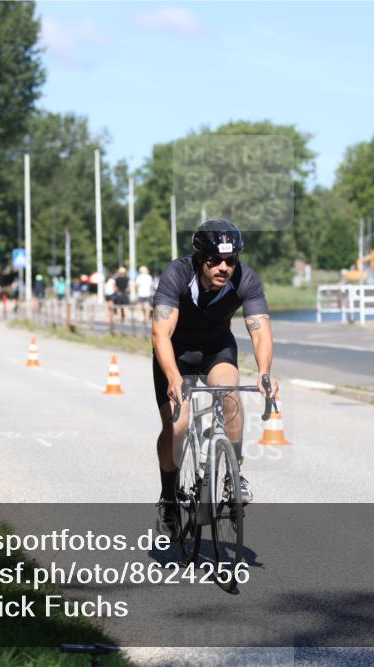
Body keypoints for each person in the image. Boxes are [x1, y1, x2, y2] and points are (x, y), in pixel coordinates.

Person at [151, 219, 278, 538]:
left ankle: (233, 477)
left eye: (231, 261)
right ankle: (169, 498)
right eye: (215, 261)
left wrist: (264, 373)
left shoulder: (246, 278)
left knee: (232, 395)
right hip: (175, 353)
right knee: (176, 426)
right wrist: (173, 377)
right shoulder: (177, 275)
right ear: (199, 259)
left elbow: (260, 332)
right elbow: (161, 332)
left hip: (215, 348)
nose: (224, 267)